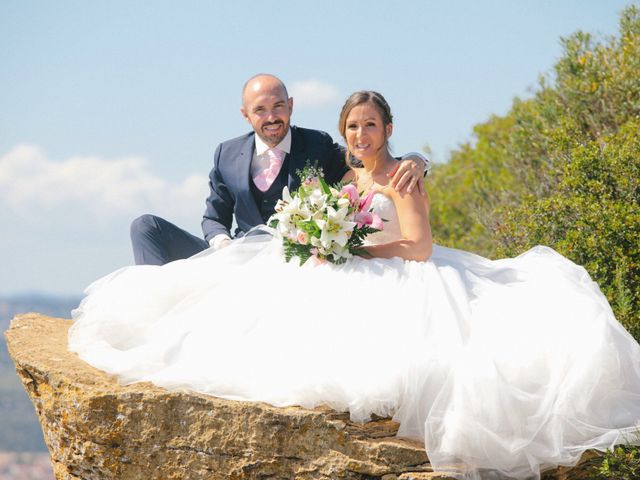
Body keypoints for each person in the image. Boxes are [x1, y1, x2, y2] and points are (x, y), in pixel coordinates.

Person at [69, 91, 640, 480]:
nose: (361, 133)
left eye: (371, 125)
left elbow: (418, 246)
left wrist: (356, 245)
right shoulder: (343, 173)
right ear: (342, 133)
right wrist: (327, 242)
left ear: (388, 129)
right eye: (353, 126)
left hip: (404, 273)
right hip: (345, 264)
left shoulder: (402, 176)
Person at [130, 74, 428, 265]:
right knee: (145, 227)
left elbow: (368, 160)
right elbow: (213, 218)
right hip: (233, 258)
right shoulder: (226, 153)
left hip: (289, 265)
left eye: (278, 106)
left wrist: (416, 159)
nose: (271, 117)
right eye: (260, 110)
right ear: (246, 115)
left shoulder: (316, 144)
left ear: (291, 105)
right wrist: (223, 249)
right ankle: (150, 309)